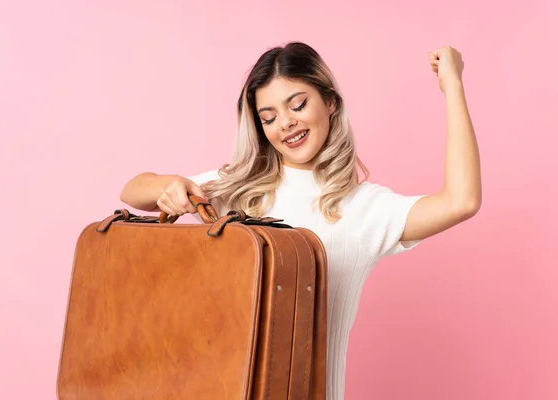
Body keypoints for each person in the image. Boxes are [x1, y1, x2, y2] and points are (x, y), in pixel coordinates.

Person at [120, 42, 482, 399]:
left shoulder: (363, 208)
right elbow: (133, 191)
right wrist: (169, 185)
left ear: (330, 102)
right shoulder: (237, 188)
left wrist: (452, 85)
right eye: (269, 118)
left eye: (298, 104)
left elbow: (461, 201)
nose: (286, 124)